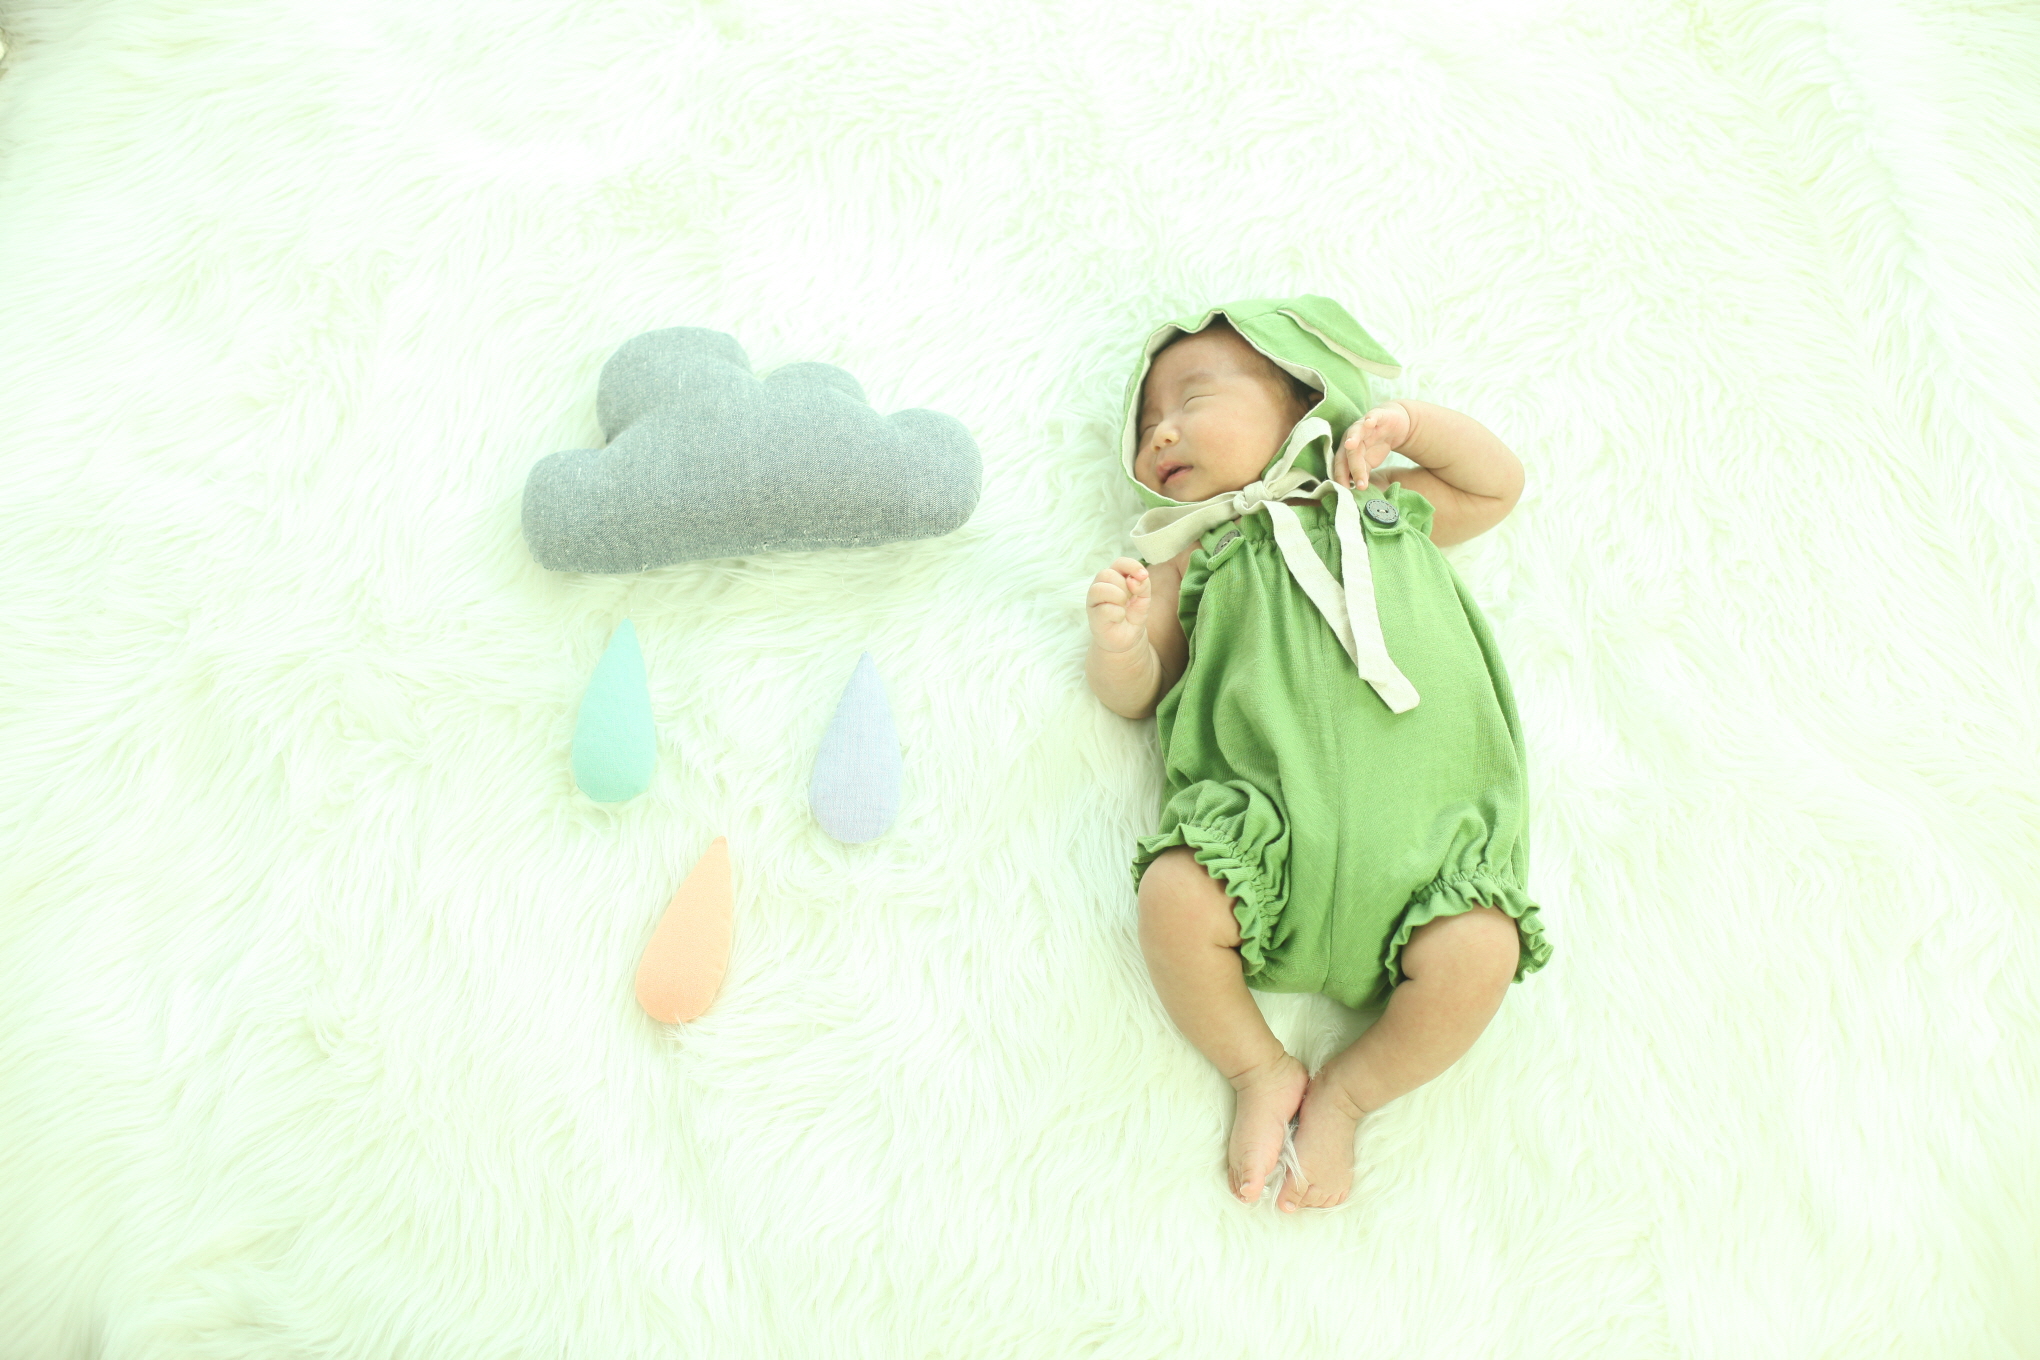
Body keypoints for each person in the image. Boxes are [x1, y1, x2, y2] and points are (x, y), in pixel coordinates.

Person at [1085, 297, 1553, 1213]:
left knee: (1484, 953)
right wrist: (1121, 642)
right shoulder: (1194, 558)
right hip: (1263, 846)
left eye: (1192, 399)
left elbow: (1497, 487)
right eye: (1145, 427)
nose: (1161, 431)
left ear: (1306, 397)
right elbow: (1138, 694)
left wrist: (1410, 427)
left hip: (1430, 856)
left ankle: (1347, 1096)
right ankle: (1258, 1068)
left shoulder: (1380, 507)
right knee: (1172, 896)